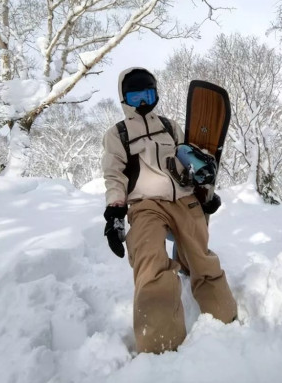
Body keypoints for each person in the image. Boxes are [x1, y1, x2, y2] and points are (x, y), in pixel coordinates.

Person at [101, 67, 238, 354]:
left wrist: (206, 194)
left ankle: (228, 329)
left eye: (147, 94)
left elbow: (185, 163)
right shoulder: (118, 134)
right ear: (124, 97)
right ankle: (160, 347)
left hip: (184, 201)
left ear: (155, 94)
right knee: (150, 260)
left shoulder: (170, 126)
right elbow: (114, 175)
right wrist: (115, 212)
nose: (142, 102)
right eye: (135, 95)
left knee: (203, 260)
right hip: (146, 205)